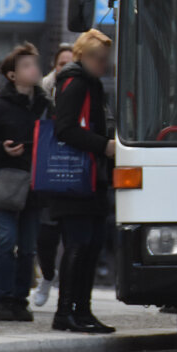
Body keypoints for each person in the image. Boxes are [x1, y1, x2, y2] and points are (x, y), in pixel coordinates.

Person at [0, 43, 51, 322]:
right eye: (26, 66)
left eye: (35, 65)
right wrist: (2, 150)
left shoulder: (45, 105)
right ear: (12, 75)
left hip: (36, 183)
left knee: (29, 246)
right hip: (10, 180)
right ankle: (2, 297)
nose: (34, 70)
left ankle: (20, 298)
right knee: (6, 240)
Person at [51, 29, 115, 334]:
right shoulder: (76, 84)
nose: (105, 65)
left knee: (89, 245)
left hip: (88, 177)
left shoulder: (88, 83)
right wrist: (104, 146)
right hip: (77, 177)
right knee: (79, 245)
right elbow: (64, 129)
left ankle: (80, 310)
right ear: (84, 56)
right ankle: (68, 311)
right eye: (100, 59)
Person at [33, 43, 72, 307]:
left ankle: (68, 293)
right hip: (48, 173)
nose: (65, 69)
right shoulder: (41, 95)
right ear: (54, 67)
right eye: (61, 64)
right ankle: (47, 276)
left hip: (72, 172)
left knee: (71, 238)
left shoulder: (84, 91)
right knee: (45, 238)